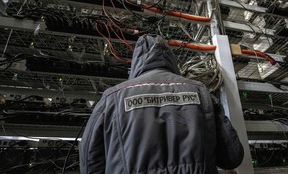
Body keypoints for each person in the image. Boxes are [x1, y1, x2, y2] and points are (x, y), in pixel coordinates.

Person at [79, 35, 244, 174]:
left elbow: (89, 163)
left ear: (136, 63)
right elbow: (233, 156)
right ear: (171, 59)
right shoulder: (201, 92)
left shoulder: (111, 98)